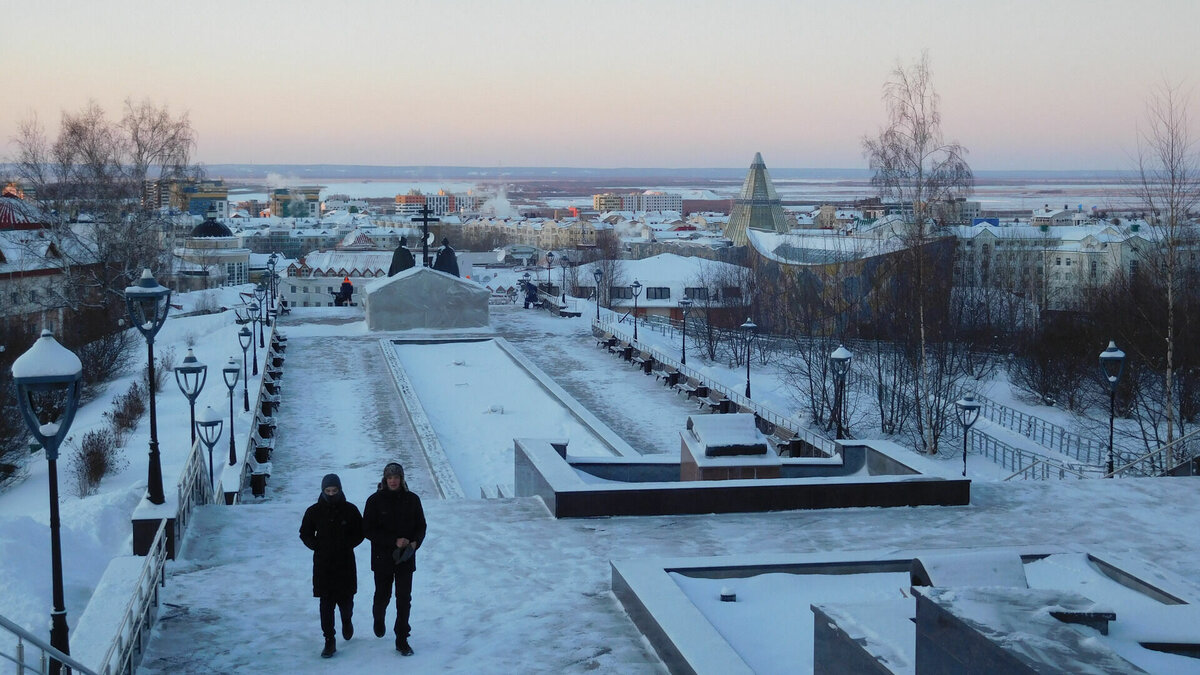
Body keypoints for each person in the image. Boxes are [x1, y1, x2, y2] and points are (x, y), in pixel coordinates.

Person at [362, 462, 426, 656]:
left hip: (406, 557)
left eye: (396, 477)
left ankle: (401, 638)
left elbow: (421, 525)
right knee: (383, 595)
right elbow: (367, 529)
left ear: (402, 478)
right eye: (390, 477)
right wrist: (393, 541)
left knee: (404, 599)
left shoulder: (412, 499)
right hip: (382, 558)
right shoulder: (374, 500)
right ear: (385, 479)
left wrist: (415, 542)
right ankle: (379, 617)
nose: (393, 481)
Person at [299, 474, 364, 659]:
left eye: (334, 490)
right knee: (326, 605)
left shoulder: (350, 510)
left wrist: (347, 543)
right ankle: (329, 640)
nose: (331, 494)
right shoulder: (314, 511)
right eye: (328, 491)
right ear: (323, 491)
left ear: (340, 490)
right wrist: (316, 545)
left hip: (345, 563)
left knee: (346, 601)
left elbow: (360, 532)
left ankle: (347, 620)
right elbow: (305, 533)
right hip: (323, 564)